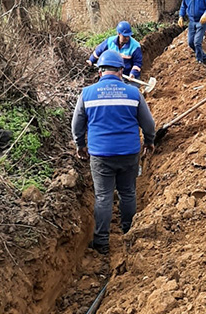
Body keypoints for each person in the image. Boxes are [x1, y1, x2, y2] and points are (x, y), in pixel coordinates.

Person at [72, 50, 155, 255]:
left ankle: (101, 241)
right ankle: (129, 231)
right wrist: (149, 142)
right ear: (121, 71)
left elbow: (77, 125)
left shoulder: (87, 94)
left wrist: (80, 146)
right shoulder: (134, 93)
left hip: (100, 155)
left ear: (100, 71)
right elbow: (149, 125)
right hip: (129, 153)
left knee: (103, 196)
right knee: (128, 192)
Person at [86, 21, 143, 85]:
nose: (127, 38)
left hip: (127, 75)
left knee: (132, 92)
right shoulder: (110, 42)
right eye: (124, 36)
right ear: (118, 34)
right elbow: (98, 52)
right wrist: (91, 60)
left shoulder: (135, 46)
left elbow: (137, 63)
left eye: (128, 36)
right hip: (113, 74)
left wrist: (133, 74)